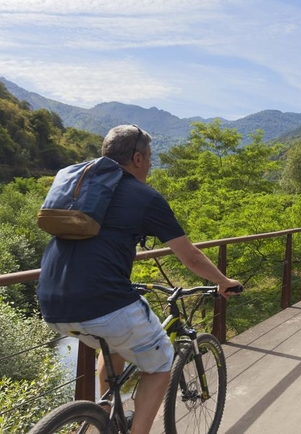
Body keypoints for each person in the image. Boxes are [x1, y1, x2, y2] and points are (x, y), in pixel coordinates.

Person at [36, 125, 242, 434]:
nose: (150, 164)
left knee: (116, 345)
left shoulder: (81, 189)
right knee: (161, 363)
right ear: (136, 158)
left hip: (51, 301)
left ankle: (101, 416)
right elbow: (190, 257)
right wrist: (223, 280)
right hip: (104, 302)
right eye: (149, 158)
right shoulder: (143, 195)